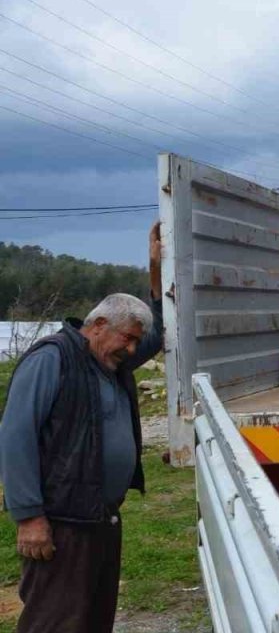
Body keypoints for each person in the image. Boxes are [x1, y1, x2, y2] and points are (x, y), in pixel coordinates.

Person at [0, 222, 165, 633]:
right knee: (55, 622)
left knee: (93, 620)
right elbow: (15, 435)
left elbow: (155, 336)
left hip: (100, 520)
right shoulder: (51, 360)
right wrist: (29, 517)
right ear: (97, 325)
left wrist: (156, 270)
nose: (132, 351)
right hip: (61, 524)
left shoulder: (108, 360)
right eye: (127, 340)